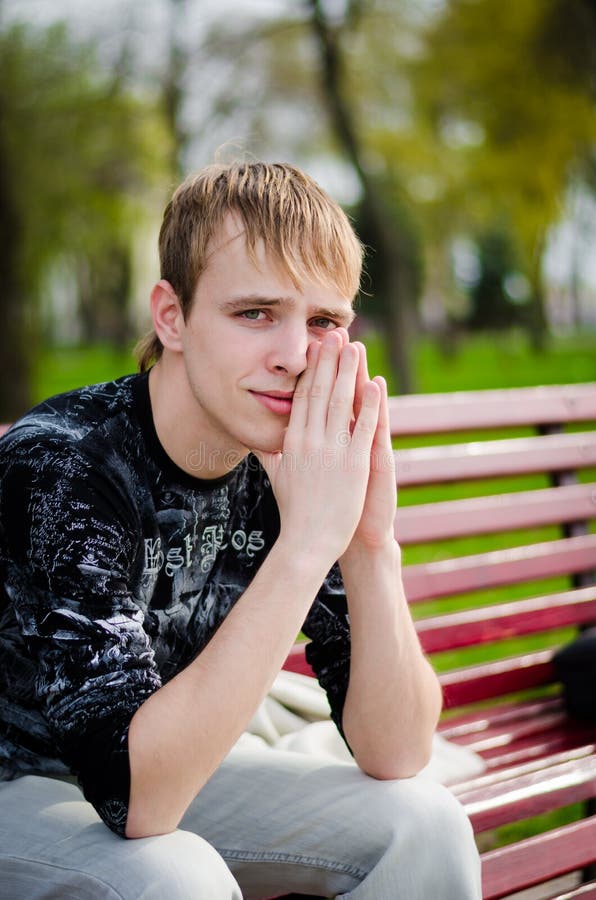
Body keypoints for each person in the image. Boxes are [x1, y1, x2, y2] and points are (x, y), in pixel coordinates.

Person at [0, 161, 481, 899]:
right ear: (171, 316)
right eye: (256, 313)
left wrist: (368, 545)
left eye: (323, 321)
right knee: (173, 878)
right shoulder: (65, 462)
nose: (293, 356)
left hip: (166, 761)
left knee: (424, 823)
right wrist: (305, 547)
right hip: (20, 782)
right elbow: (140, 801)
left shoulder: (288, 458)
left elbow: (398, 750)